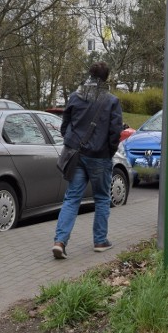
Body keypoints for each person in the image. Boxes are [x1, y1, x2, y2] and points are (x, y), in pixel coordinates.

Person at [52, 62, 123, 259]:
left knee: (72, 198)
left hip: (76, 155)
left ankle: (60, 242)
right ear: (106, 78)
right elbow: (115, 132)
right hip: (100, 157)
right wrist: (109, 151)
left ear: (89, 74)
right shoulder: (111, 101)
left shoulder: (75, 96)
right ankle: (100, 241)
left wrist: (73, 143)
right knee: (101, 198)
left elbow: (65, 126)